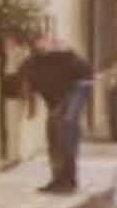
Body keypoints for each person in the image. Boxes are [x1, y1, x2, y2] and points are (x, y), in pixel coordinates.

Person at [17, 38, 93, 194]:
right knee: (53, 130)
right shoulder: (33, 73)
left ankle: (68, 180)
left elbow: (34, 97)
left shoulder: (35, 71)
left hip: (79, 83)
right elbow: (34, 102)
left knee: (67, 126)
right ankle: (58, 179)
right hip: (63, 89)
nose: (24, 96)